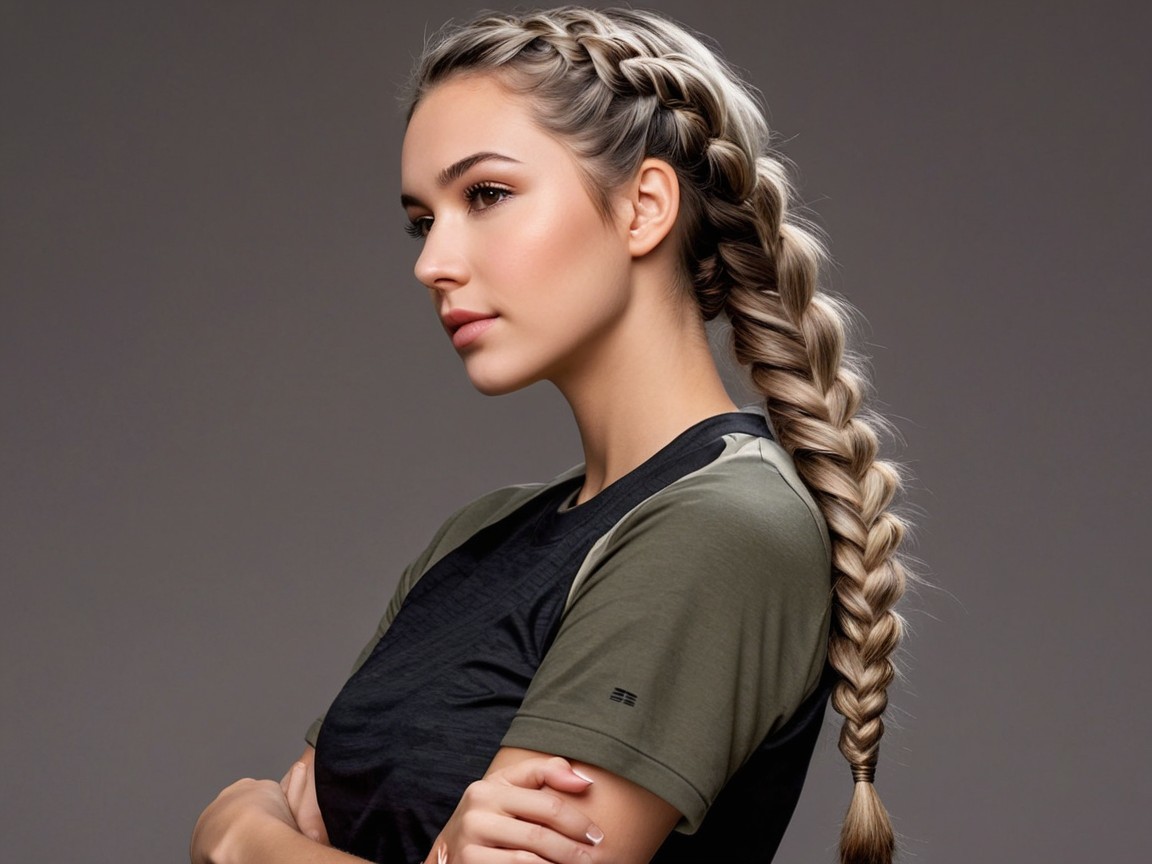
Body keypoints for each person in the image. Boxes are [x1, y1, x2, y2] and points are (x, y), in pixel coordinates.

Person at [191, 7, 911, 864]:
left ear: (644, 207)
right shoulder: (481, 536)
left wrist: (237, 837)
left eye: (486, 195)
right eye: (423, 220)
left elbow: (285, 814)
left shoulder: (724, 528)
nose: (432, 263)